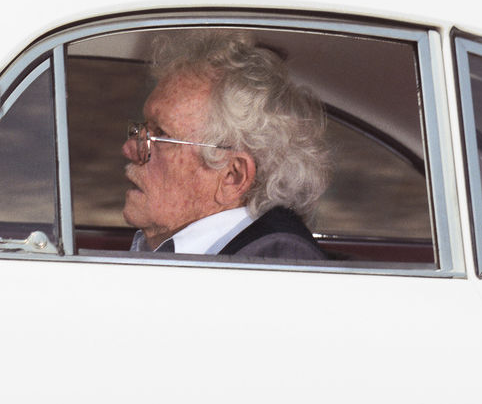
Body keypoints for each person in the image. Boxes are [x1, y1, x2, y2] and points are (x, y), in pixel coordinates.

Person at [121, 30, 330, 260]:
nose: (130, 148)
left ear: (233, 176)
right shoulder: (189, 249)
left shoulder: (274, 263)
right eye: (142, 129)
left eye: (160, 135)